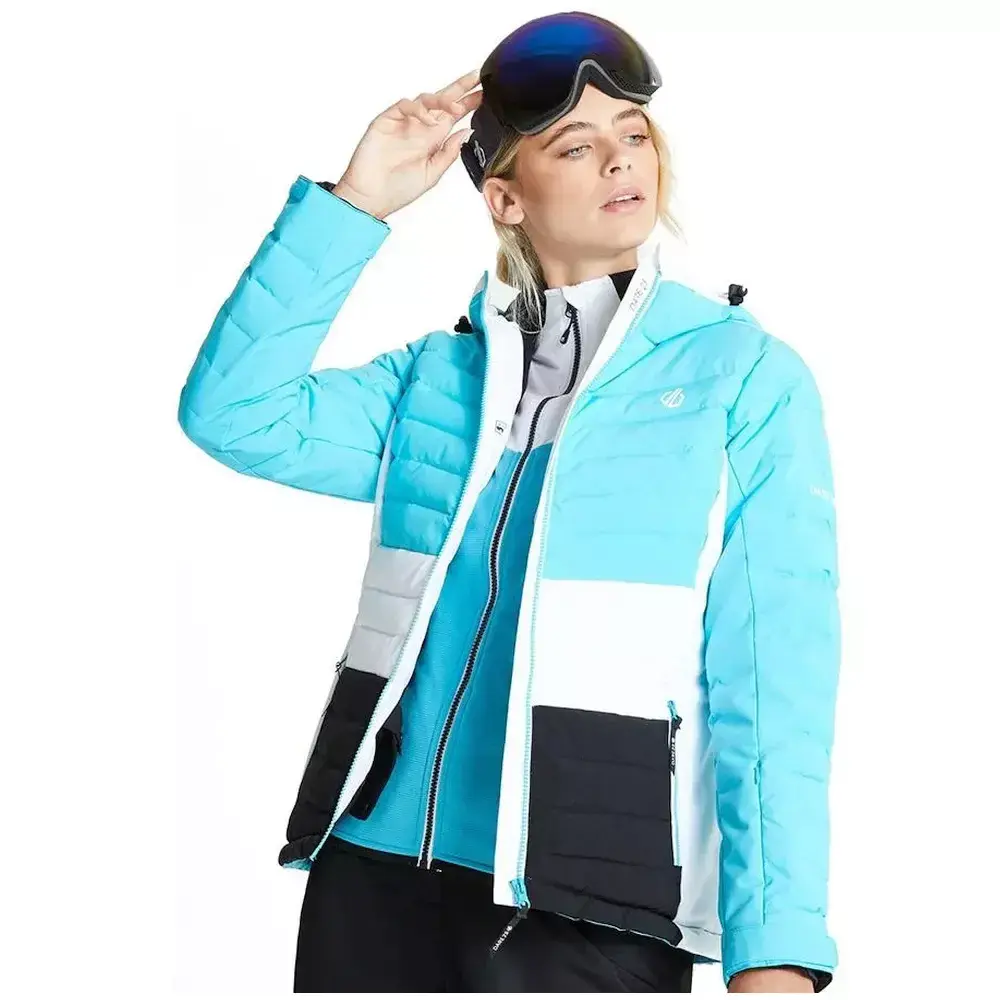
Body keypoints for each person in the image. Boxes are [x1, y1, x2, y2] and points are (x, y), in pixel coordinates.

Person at [177, 12, 840, 994]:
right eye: (574, 145)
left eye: (632, 134)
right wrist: (356, 204)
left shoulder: (737, 376)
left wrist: (776, 952)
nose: (620, 160)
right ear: (505, 198)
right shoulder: (438, 379)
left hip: (586, 904)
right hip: (372, 877)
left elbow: (773, 670)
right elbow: (235, 414)